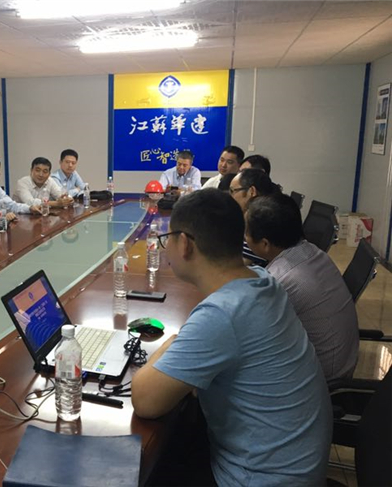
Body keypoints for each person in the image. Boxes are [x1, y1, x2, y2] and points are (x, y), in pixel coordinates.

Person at [131, 189, 332, 487]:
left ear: (184, 244)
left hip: (259, 479)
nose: (166, 246)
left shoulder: (223, 313)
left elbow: (144, 400)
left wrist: (169, 345)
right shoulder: (262, 280)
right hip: (295, 466)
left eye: (167, 238)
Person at [245, 193, 359, 386]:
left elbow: (250, 336)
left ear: (265, 244)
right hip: (342, 363)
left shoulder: (280, 279)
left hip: (322, 380)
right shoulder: (312, 251)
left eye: (246, 232)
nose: (244, 237)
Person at [229, 168, 282, 266]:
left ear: (251, 191)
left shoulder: (261, 219)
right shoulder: (265, 210)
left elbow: (239, 265)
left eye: (233, 191)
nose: (230, 196)